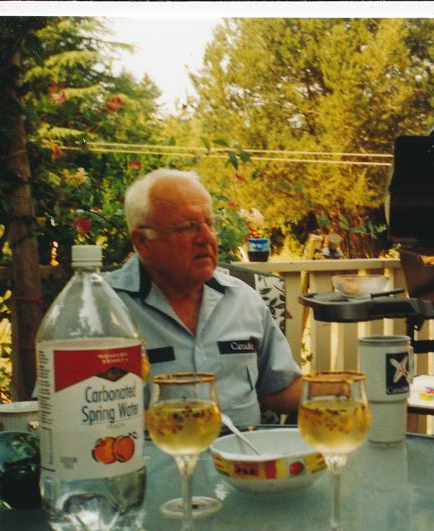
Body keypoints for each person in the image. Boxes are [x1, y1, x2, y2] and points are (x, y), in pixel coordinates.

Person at [105, 168, 302, 426]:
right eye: (188, 227)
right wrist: (174, 425)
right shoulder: (103, 308)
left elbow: (279, 390)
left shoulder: (243, 299)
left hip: (245, 450)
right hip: (156, 452)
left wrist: (340, 392)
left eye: (209, 224)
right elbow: (82, 410)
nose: (207, 238)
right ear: (142, 242)